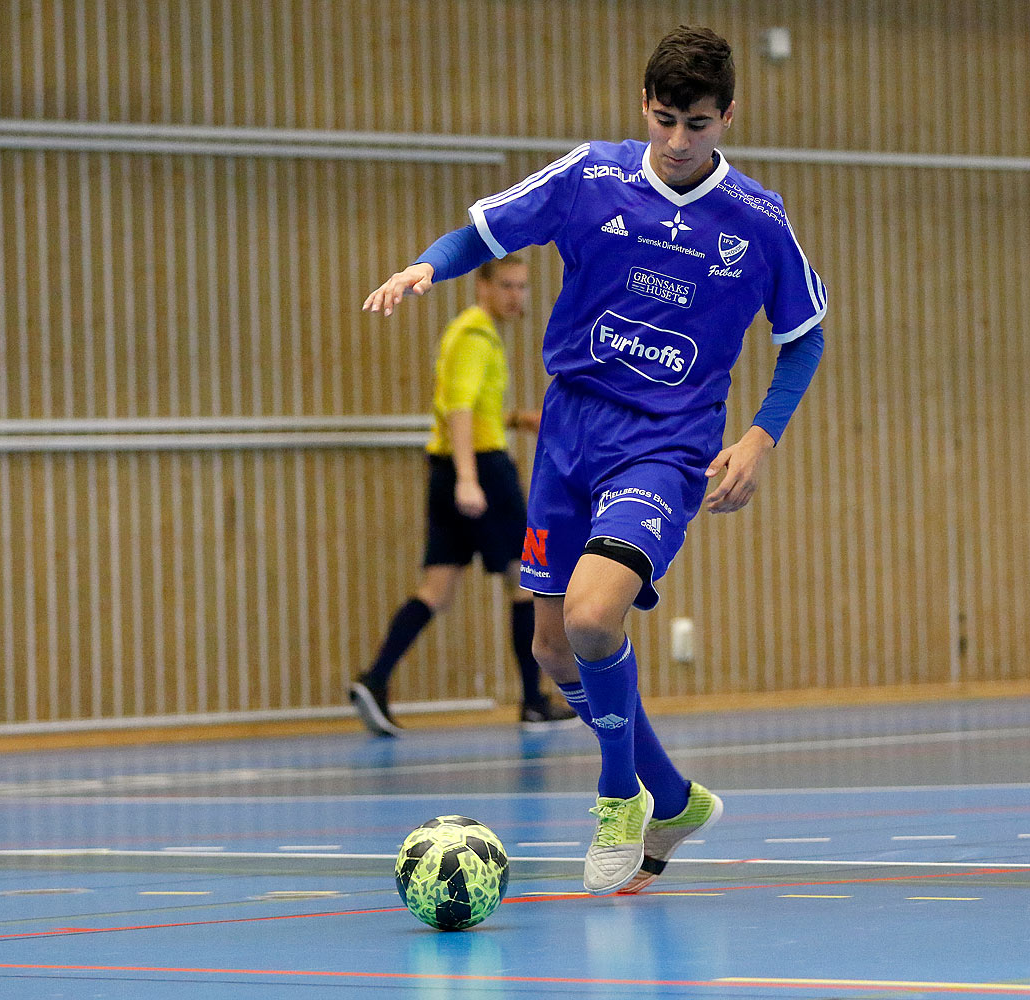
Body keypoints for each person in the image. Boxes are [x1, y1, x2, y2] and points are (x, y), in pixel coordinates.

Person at [364, 25, 827, 895]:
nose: (679, 142)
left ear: (729, 114)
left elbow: (803, 339)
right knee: (552, 649)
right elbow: (486, 230)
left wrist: (761, 434)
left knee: (589, 618)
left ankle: (621, 793)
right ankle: (678, 798)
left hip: (664, 445)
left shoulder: (758, 222)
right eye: (664, 121)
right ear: (643, 108)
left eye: (697, 123)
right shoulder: (593, 175)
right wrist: (425, 267)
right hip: (567, 436)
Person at [349, 256, 579, 736]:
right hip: (483, 471)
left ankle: (375, 679)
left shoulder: (474, 333)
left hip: (450, 467)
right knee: (526, 579)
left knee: (437, 589)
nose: (518, 297)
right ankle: (534, 702)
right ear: (483, 285)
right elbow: (458, 410)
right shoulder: (474, 335)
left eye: (523, 288)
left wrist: (517, 419)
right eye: (508, 287)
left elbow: (472, 405)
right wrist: (470, 479)